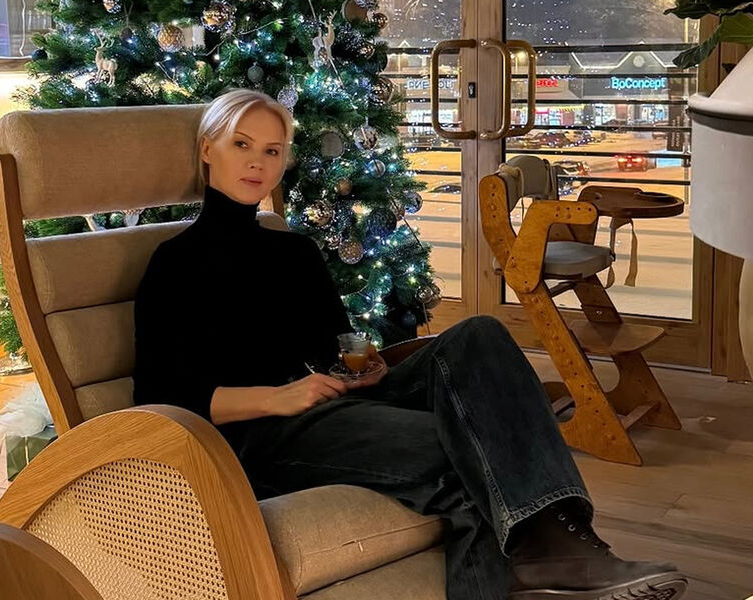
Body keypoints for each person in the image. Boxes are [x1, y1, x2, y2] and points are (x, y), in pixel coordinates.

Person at [133, 88, 688, 600]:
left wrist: (363, 366)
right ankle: (560, 554)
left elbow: (332, 349)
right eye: (241, 145)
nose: (257, 162)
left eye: (272, 150)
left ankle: (558, 551)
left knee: (479, 333)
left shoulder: (293, 252)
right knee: (476, 446)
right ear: (207, 150)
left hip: (333, 405)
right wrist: (279, 397)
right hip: (262, 435)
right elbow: (161, 396)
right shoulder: (175, 263)